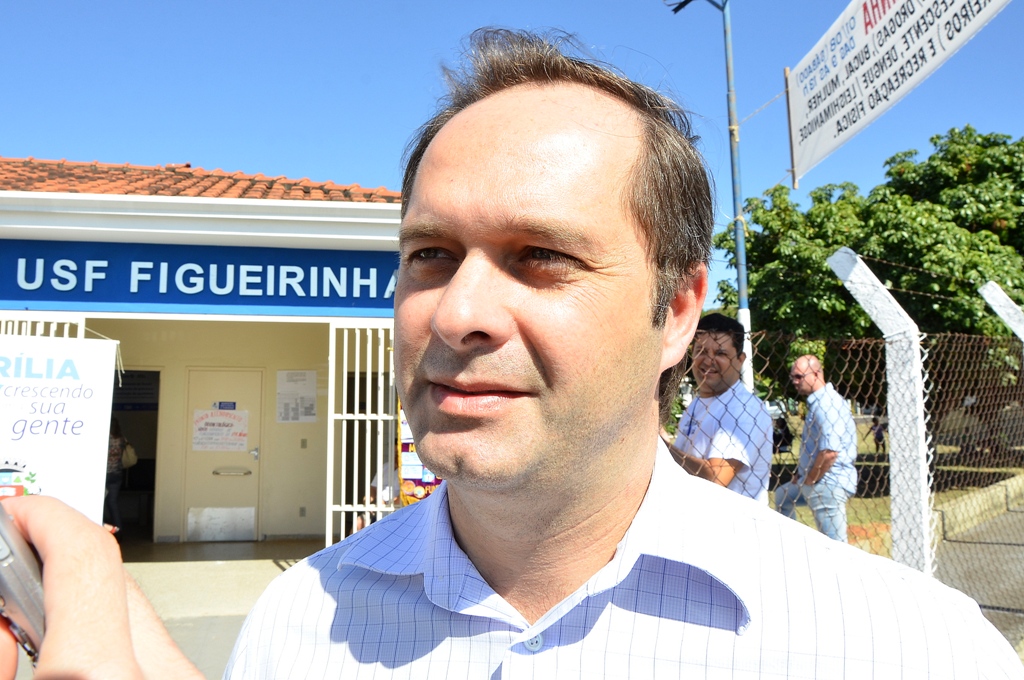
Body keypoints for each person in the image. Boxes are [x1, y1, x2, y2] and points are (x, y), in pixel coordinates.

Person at [1, 28, 1020, 680]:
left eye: (541, 257)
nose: (456, 314)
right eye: (430, 255)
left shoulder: (905, 648)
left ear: (677, 311)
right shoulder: (295, 626)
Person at [665, 313, 772, 501]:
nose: (708, 360)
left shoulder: (744, 408)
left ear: (740, 360)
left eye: (721, 353)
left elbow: (715, 479)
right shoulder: (697, 404)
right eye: (701, 351)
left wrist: (660, 446)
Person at [775, 354, 859, 542]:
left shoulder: (827, 404)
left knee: (834, 546)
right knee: (782, 497)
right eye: (792, 377)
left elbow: (830, 453)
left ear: (815, 374)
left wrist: (810, 480)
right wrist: (801, 474)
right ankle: (790, 544)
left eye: (799, 376)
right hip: (816, 479)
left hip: (827, 482)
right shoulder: (819, 402)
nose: (794, 382)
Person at [104, 417, 127, 533]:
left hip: (104, 475)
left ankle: (101, 529)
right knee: (112, 503)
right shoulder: (122, 438)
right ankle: (119, 531)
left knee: (99, 503)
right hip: (117, 474)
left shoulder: (104, 437)